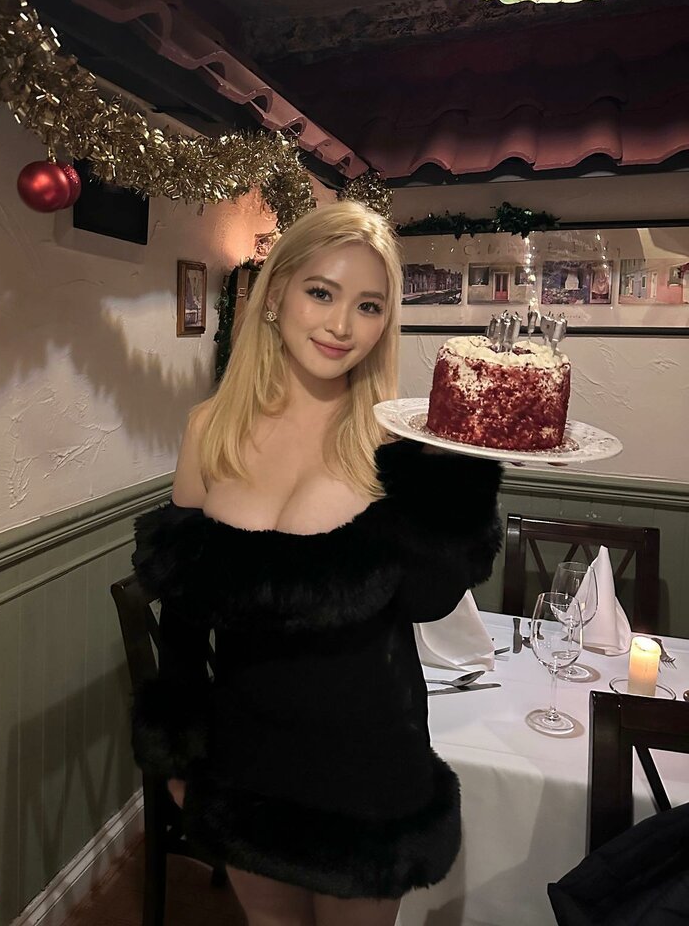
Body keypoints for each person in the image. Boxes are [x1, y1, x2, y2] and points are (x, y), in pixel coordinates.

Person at [131, 200, 502, 926]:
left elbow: (429, 601)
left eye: (368, 306)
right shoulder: (210, 429)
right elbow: (183, 613)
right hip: (244, 758)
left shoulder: (398, 444)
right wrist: (176, 756)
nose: (341, 326)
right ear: (275, 294)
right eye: (321, 293)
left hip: (368, 768)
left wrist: (462, 479)